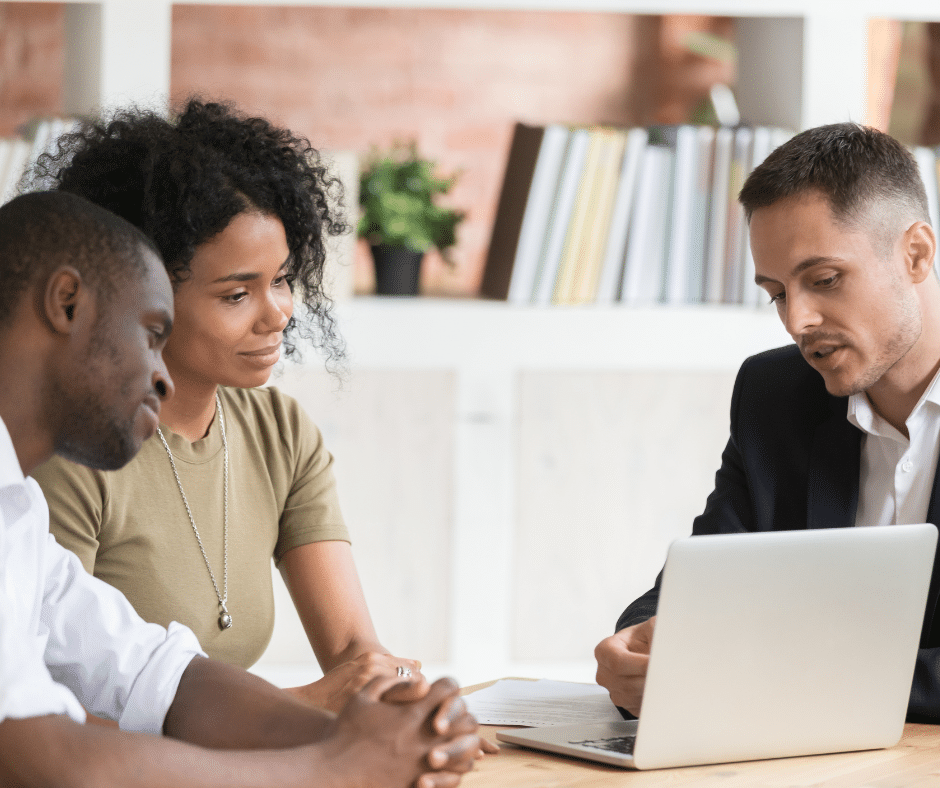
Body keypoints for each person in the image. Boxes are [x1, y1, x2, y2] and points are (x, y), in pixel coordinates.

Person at [0, 190, 480, 787]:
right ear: (66, 303)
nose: (160, 374)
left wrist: (381, 738)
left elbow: (161, 674)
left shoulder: (15, 515)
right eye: (152, 333)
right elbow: (39, 760)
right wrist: (335, 767)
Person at [28, 98, 423, 714]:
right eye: (238, 293)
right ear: (143, 289)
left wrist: (393, 691)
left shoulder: (280, 433)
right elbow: (56, 715)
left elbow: (353, 650)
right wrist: (304, 706)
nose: (279, 313)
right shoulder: (75, 455)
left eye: (285, 280)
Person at [595, 122, 940, 724]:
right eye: (777, 293)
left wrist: (750, 671)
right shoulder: (775, 393)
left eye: (825, 280)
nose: (798, 321)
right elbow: (705, 581)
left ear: (915, 254)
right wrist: (638, 648)